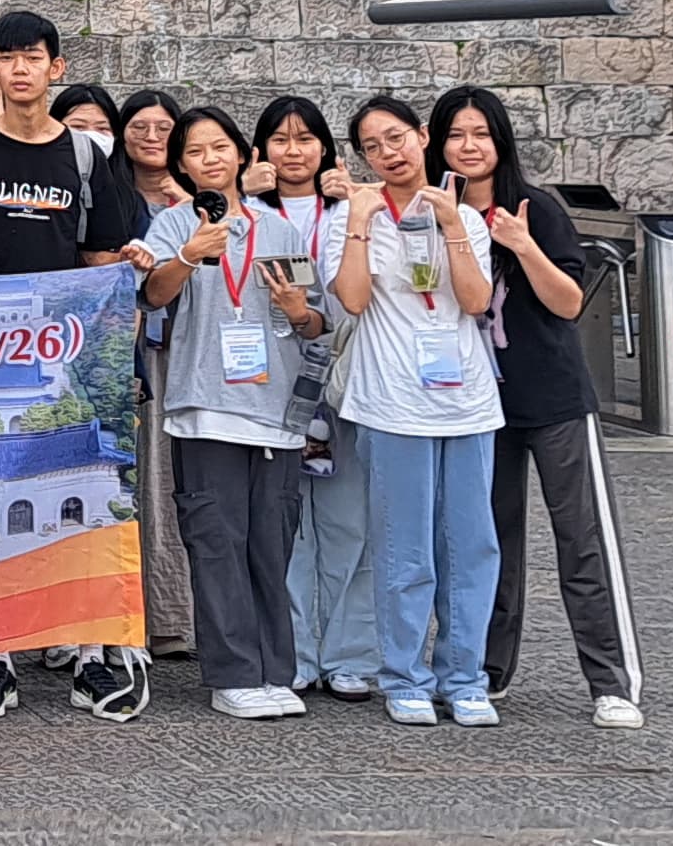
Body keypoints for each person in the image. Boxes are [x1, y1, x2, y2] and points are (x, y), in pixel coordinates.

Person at [0, 10, 152, 721]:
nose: (19, 69)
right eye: (5, 57)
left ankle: (91, 657)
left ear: (55, 67)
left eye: (32, 56)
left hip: (68, 363)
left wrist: (127, 265)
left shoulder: (86, 157)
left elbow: (100, 260)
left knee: (81, 503)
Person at [435, 87, 647, 730]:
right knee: (486, 541)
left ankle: (612, 682)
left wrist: (523, 245)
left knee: (583, 540)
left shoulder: (538, 208)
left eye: (481, 134)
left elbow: (569, 303)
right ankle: (486, 670)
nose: (469, 146)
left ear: (501, 141)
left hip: (553, 399)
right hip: (477, 405)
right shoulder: (433, 213)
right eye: (456, 135)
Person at [136, 105, 321, 720]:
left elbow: (315, 321)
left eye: (219, 148)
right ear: (182, 166)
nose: (209, 160)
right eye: (195, 152)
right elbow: (151, 296)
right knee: (217, 543)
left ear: (242, 155)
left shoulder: (280, 230)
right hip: (204, 408)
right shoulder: (172, 224)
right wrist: (189, 256)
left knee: (272, 544)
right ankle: (234, 674)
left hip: (275, 410)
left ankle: (275, 670)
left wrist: (298, 309)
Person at [327, 95, 507, 727]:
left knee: (472, 546)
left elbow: (475, 301)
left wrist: (453, 225)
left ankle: (465, 677)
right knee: (405, 549)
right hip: (391, 401)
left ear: (423, 136)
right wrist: (358, 220)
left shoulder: (465, 215)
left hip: (467, 403)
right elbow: (351, 300)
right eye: (372, 146)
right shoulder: (353, 216)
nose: (389, 153)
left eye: (397, 137)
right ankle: (404, 675)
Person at [255, 96, 377, 701]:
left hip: (344, 378)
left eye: (305, 139)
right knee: (287, 528)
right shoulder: (250, 213)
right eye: (280, 140)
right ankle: (296, 651)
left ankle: (352, 654)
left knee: (350, 522)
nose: (293, 151)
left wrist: (355, 198)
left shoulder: (352, 209)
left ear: (325, 148)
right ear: (261, 151)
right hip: (273, 381)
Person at [110, 87, 196, 663]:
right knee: (136, 484)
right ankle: (128, 616)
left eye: (164, 128)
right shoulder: (112, 197)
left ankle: (172, 616)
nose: (151, 137)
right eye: (139, 126)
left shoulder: (200, 201)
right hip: (132, 351)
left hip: (191, 347)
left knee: (175, 483)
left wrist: (188, 205)